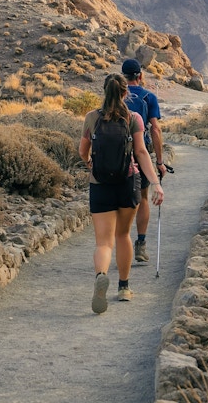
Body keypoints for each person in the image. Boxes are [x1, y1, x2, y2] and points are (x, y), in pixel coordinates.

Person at [79, 73, 164, 314]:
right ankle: (124, 288)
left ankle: (101, 275)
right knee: (123, 235)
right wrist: (155, 183)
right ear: (126, 93)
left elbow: (82, 150)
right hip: (128, 183)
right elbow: (141, 153)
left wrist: (90, 163)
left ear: (104, 92)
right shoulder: (133, 118)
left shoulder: (91, 118)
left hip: (100, 184)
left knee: (104, 242)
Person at [121, 58, 166, 263]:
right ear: (140, 75)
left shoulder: (115, 96)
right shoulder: (149, 97)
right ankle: (140, 244)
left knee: (119, 199)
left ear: (123, 76)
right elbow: (155, 129)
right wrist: (159, 161)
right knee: (143, 197)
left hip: (117, 152)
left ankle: (122, 243)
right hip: (141, 150)